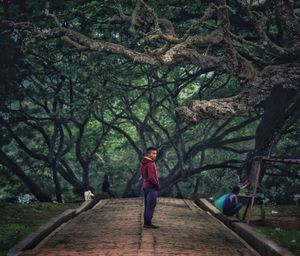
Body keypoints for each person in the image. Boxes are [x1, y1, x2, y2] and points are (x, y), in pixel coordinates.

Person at [140, 147, 160, 229]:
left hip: (145, 186)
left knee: (147, 205)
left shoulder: (144, 163)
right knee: (151, 205)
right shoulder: (151, 164)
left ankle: (146, 223)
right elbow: (151, 177)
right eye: (153, 153)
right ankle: (148, 223)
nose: (155, 155)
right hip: (151, 187)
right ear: (148, 154)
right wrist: (157, 185)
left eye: (156, 153)